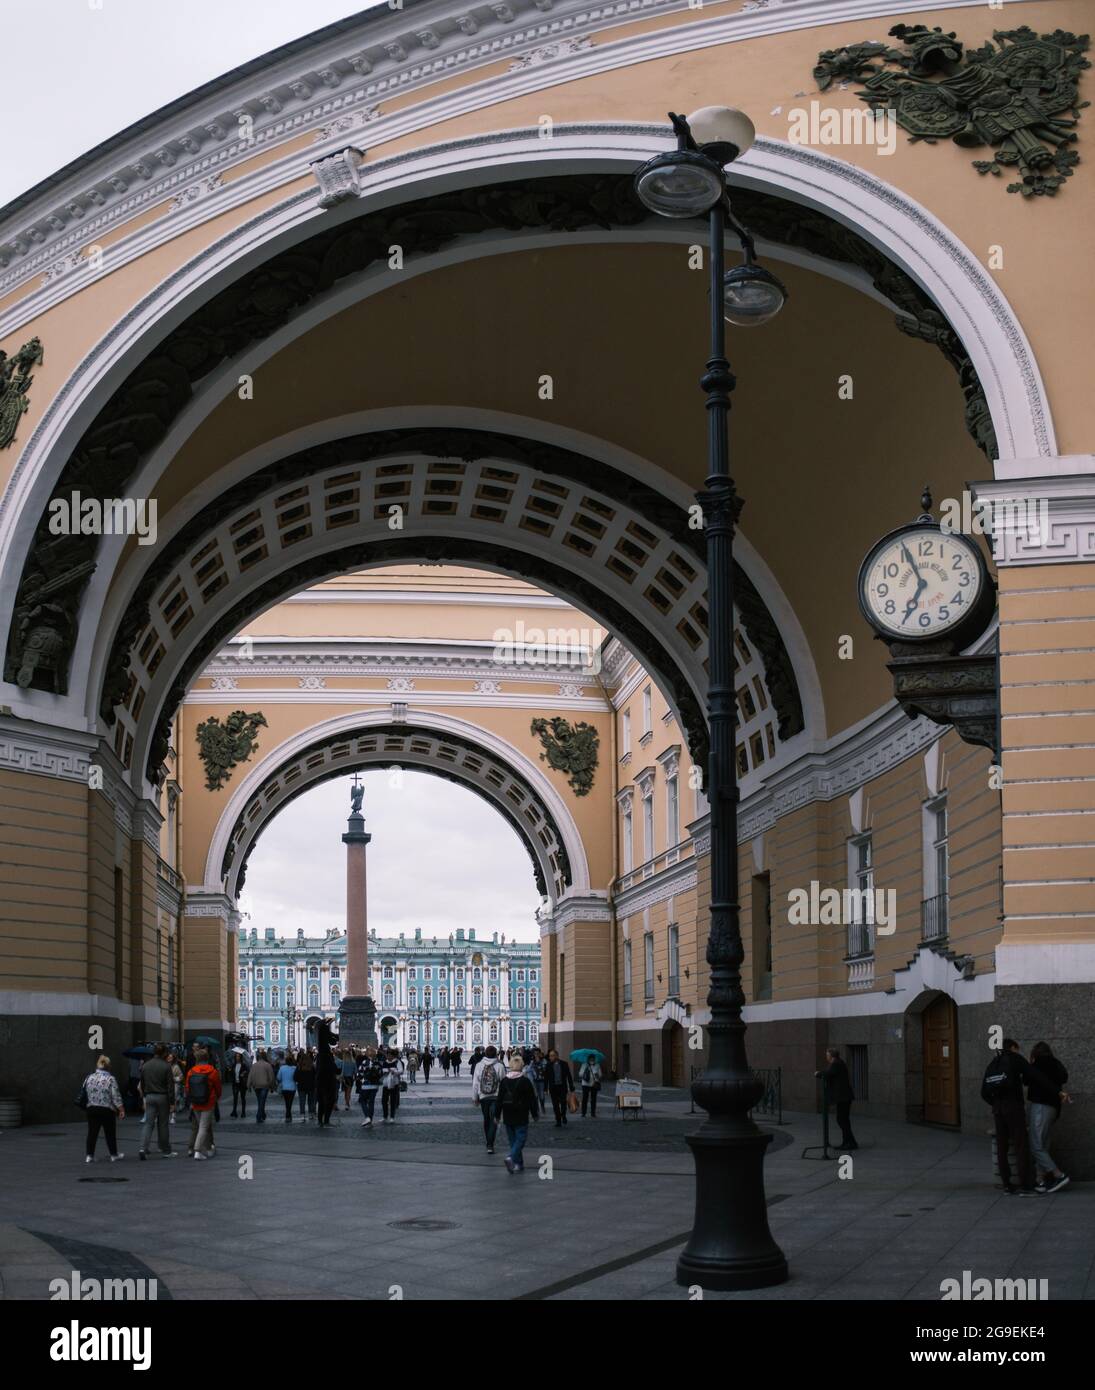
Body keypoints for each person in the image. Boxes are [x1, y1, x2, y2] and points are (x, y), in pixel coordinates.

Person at [982, 1038, 1038, 1195]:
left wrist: (995, 1103)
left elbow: (983, 1092)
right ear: (1013, 1047)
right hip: (1014, 1108)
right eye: (1017, 1049)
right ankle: (1026, 1184)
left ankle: (1007, 1184)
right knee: (1021, 1145)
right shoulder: (1015, 1059)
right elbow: (1034, 1075)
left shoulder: (993, 1064)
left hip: (998, 1110)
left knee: (1002, 1147)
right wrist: (1057, 1091)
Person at [1026, 1041, 1071, 1194]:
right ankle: (1040, 1180)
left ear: (1035, 1053)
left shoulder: (1037, 1064)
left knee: (1036, 1145)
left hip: (1041, 1106)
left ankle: (1058, 1175)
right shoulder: (1056, 1063)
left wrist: (1031, 1063)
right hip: (1054, 1108)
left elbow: (1026, 1080)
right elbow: (1064, 1077)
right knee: (1043, 1144)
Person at [498, 1050, 540, 1173]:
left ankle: (518, 1164)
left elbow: (499, 1099)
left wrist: (496, 1115)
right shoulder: (525, 1081)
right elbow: (532, 1100)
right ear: (521, 1066)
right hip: (521, 1114)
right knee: (520, 1139)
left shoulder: (504, 1081)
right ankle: (511, 1157)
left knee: (513, 1140)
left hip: (507, 1113)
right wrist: (535, 1114)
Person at [82, 1055, 126, 1163]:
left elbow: (84, 1090)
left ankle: (89, 1155)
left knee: (92, 1132)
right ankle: (113, 1155)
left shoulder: (89, 1077)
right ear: (108, 1066)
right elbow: (115, 1096)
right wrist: (121, 1109)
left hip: (92, 1108)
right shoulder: (110, 1079)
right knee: (110, 1133)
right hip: (107, 1109)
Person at [138, 1043, 177, 1159]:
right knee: (163, 1124)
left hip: (149, 1096)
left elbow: (142, 1083)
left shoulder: (146, 1065)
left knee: (148, 1123)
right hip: (162, 1097)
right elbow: (170, 1086)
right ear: (164, 1053)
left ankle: (142, 1148)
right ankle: (165, 1150)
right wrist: (172, 1102)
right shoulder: (166, 1066)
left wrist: (145, 1096)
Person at [816, 1048, 857, 1150]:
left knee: (842, 1120)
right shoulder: (838, 1063)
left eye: (827, 1055)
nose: (826, 1057)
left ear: (831, 1056)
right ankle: (848, 1142)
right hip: (844, 1097)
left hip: (844, 1097)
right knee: (843, 1120)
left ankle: (850, 1142)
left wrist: (817, 1074)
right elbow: (829, 1072)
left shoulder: (836, 1064)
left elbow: (828, 1074)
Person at [186, 1045, 222, 1160]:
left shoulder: (191, 1071)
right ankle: (197, 1151)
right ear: (207, 1058)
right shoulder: (213, 1071)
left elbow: (187, 1088)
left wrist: (190, 1100)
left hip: (196, 1102)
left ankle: (209, 1149)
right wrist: (217, 1097)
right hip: (208, 1102)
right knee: (203, 1126)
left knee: (202, 1126)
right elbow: (218, 1087)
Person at [471, 1044, 505, 1154]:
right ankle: (490, 1144)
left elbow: (475, 1083)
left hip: (483, 1097)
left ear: (485, 1053)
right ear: (496, 1054)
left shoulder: (479, 1065)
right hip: (496, 1097)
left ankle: (488, 1142)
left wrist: (474, 1097)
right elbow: (504, 1083)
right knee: (494, 1119)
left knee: (486, 1119)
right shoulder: (500, 1066)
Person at [544, 1049, 575, 1127]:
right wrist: (545, 1088)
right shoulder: (548, 1065)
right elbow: (546, 1077)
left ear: (557, 1056)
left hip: (562, 1087)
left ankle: (563, 1115)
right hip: (553, 1087)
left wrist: (571, 1087)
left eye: (552, 1055)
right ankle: (558, 1120)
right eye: (550, 1056)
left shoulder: (564, 1064)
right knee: (555, 1105)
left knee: (563, 1103)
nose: (551, 1057)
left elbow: (569, 1076)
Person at [356, 1046, 383, 1127]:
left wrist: (361, 1081)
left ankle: (367, 1117)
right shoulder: (378, 1062)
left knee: (363, 1101)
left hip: (366, 1085)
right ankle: (370, 1120)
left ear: (367, 1054)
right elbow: (381, 1073)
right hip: (375, 1086)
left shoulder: (365, 1062)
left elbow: (359, 1073)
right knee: (371, 1103)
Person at [249, 1049, 275, 1123]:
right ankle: (258, 1116)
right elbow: (271, 1077)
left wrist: (249, 1086)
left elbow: (250, 1075)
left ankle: (262, 1114)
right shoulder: (268, 1065)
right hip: (264, 1086)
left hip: (256, 1086)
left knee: (260, 1101)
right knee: (262, 1101)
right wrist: (272, 1087)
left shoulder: (254, 1065)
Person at [381, 1047, 404, 1121]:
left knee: (393, 1101)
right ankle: (385, 1116)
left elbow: (401, 1071)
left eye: (390, 1055)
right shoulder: (385, 1062)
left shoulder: (397, 1062)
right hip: (385, 1084)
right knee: (384, 1100)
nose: (388, 1056)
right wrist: (386, 1071)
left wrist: (394, 1071)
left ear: (393, 1055)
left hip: (394, 1083)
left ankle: (392, 1117)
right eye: (387, 1055)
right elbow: (382, 1070)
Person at [295, 1048, 316, 1120]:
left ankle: (302, 1114)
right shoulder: (312, 1067)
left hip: (301, 1086)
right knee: (311, 1100)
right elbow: (315, 1077)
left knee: (302, 1101)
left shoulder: (299, 1067)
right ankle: (311, 1114)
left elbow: (295, 1077)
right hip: (311, 1086)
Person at [278, 1050, 298, 1123]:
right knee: (290, 1102)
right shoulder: (295, 1068)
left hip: (284, 1088)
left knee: (287, 1102)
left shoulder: (282, 1068)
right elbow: (297, 1078)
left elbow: (279, 1078)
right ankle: (288, 1114)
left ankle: (288, 1115)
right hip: (292, 1088)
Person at [230, 1050, 250, 1118]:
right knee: (235, 1098)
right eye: (236, 1056)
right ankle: (234, 1111)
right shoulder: (233, 1065)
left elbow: (247, 1072)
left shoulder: (244, 1065)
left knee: (242, 1098)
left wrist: (244, 1073)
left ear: (241, 1057)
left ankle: (243, 1112)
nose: (237, 1058)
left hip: (242, 1084)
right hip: (235, 1084)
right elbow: (232, 1074)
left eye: (238, 1056)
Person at [167, 1051, 186, 1123]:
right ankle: (168, 1115)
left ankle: (173, 1116)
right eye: (168, 1057)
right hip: (167, 1085)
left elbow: (181, 1076)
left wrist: (174, 1079)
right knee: (167, 1101)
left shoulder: (176, 1066)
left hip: (175, 1085)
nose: (169, 1058)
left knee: (173, 1100)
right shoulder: (165, 1065)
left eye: (171, 1057)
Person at [528, 1048, 547, 1112]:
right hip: (535, 1080)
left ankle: (542, 1105)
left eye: (537, 1053)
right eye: (535, 1053)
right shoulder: (532, 1061)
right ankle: (537, 1108)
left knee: (541, 1095)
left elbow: (546, 1068)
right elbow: (528, 1070)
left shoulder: (543, 1060)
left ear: (540, 1053)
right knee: (536, 1095)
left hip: (542, 1080)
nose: (536, 1055)